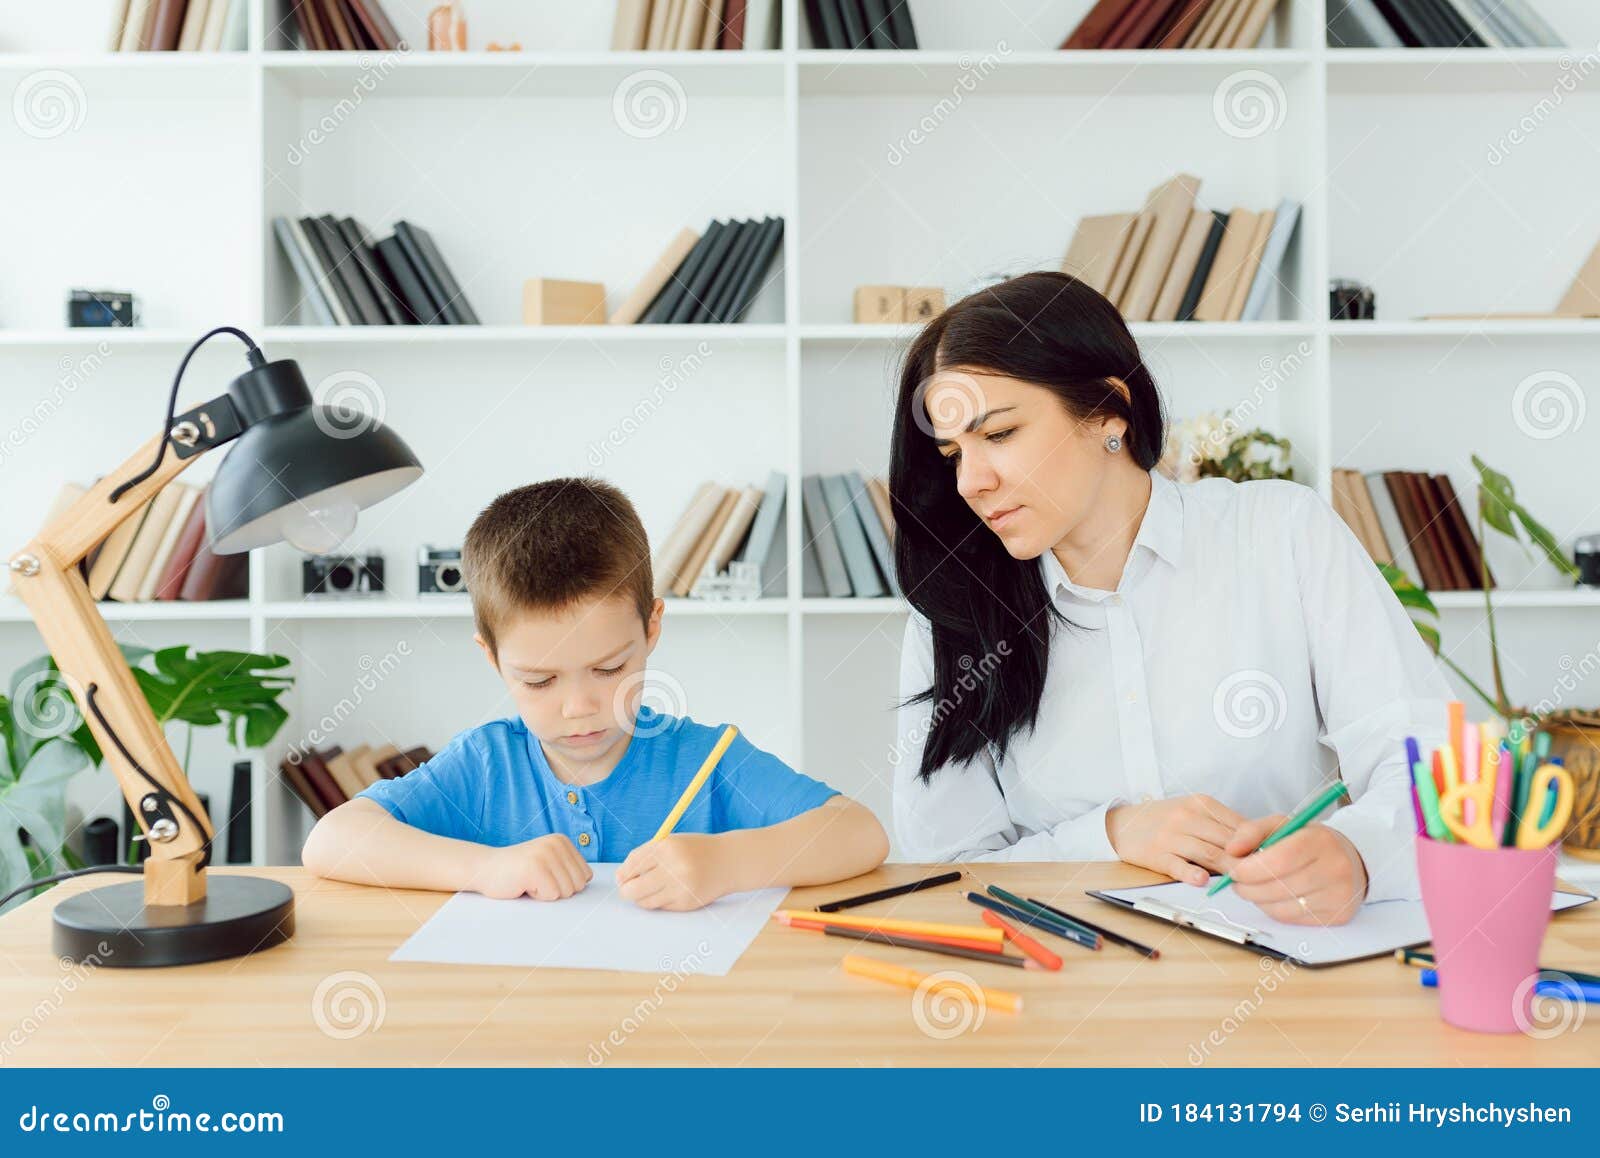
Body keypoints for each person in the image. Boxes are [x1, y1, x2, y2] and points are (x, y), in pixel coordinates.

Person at [888, 271, 1448, 925]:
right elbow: (947, 866)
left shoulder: (1282, 533)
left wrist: (1357, 854)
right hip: (1064, 990)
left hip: (1284, 962)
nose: (972, 482)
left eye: (1001, 435)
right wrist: (1113, 835)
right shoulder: (956, 610)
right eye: (953, 453)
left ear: (1107, 410)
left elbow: (1429, 755)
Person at [303, 478, 888, 911]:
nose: (578, 706)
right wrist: (484, 867)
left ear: (652, 628)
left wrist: (725, 863)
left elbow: (860, 832)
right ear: (491, 657)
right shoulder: (485, 766)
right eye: (539, 681)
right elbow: (331, 841)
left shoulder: (705, 761)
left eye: (609, 668)